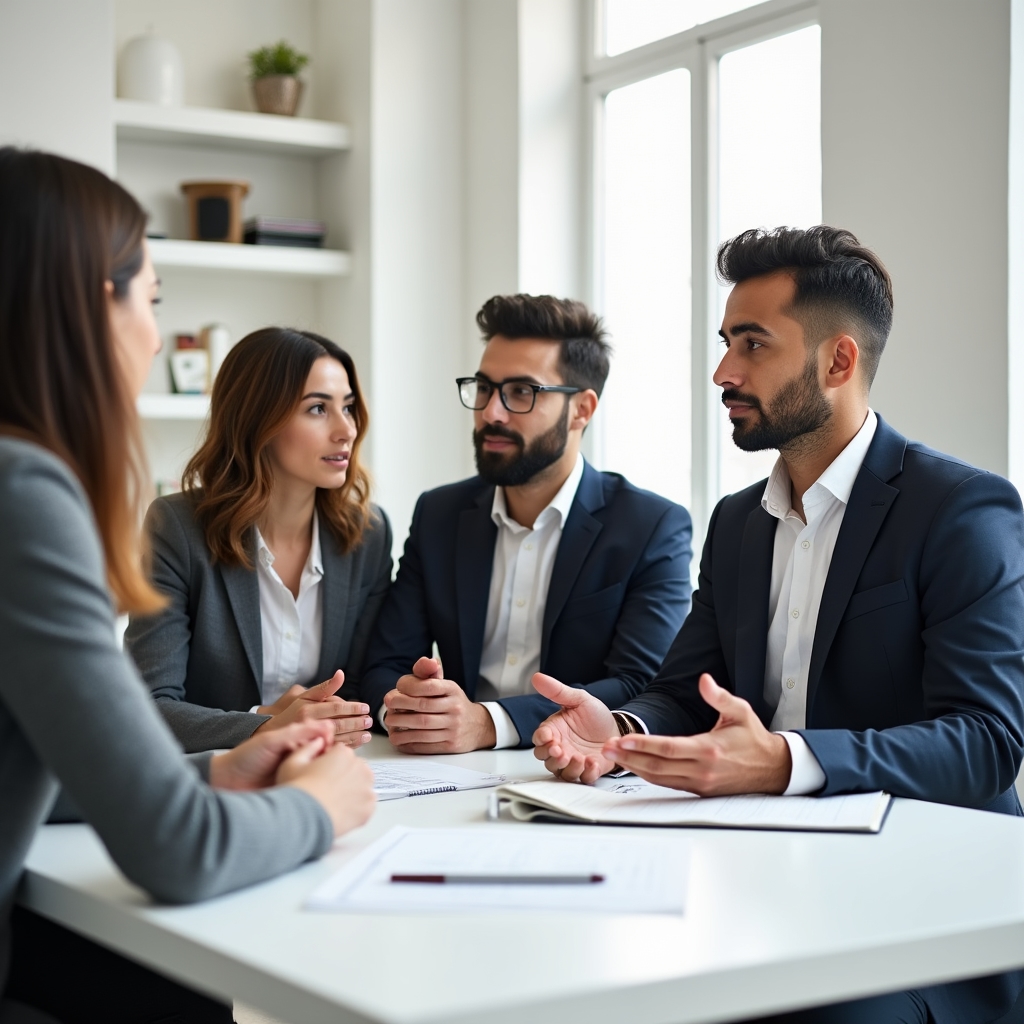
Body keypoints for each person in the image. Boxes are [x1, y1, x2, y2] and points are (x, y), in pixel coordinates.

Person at [531, 226, 1024, 1024]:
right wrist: (619, 729)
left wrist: (785, 761)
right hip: (763, 880)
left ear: (837, 362)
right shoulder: (736, 523)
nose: (723, 371)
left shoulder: (961, 509)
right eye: (727, 342)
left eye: (752, 345)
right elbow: (690, 693)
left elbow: (987, 740)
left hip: (922, 913)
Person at [0, 146, 376, 1024]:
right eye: (153, 300)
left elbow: (29, 769)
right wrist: (319, 807)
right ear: (95, 303)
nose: (156, 334)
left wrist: (215, 771)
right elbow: (178, 854)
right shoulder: (26, 493)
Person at [359, 293, 693, 753]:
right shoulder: (439, 514)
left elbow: (641, 684)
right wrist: (411, 706)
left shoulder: (650, 525)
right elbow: (383, 664)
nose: (491, 413)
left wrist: (489, 723)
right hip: (443, 771)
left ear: (582, 409)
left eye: (522, 392)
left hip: (571, 768)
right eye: (484, 388)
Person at [125, 327, 392, 753]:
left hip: (334, 771)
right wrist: (263, 725)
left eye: (349, 407)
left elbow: (361, 684)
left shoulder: (367, 533)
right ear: (257, 420)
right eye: (318, 409)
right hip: (210, 781)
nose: (347, 430)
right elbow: (147, 707)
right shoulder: (177, 527)